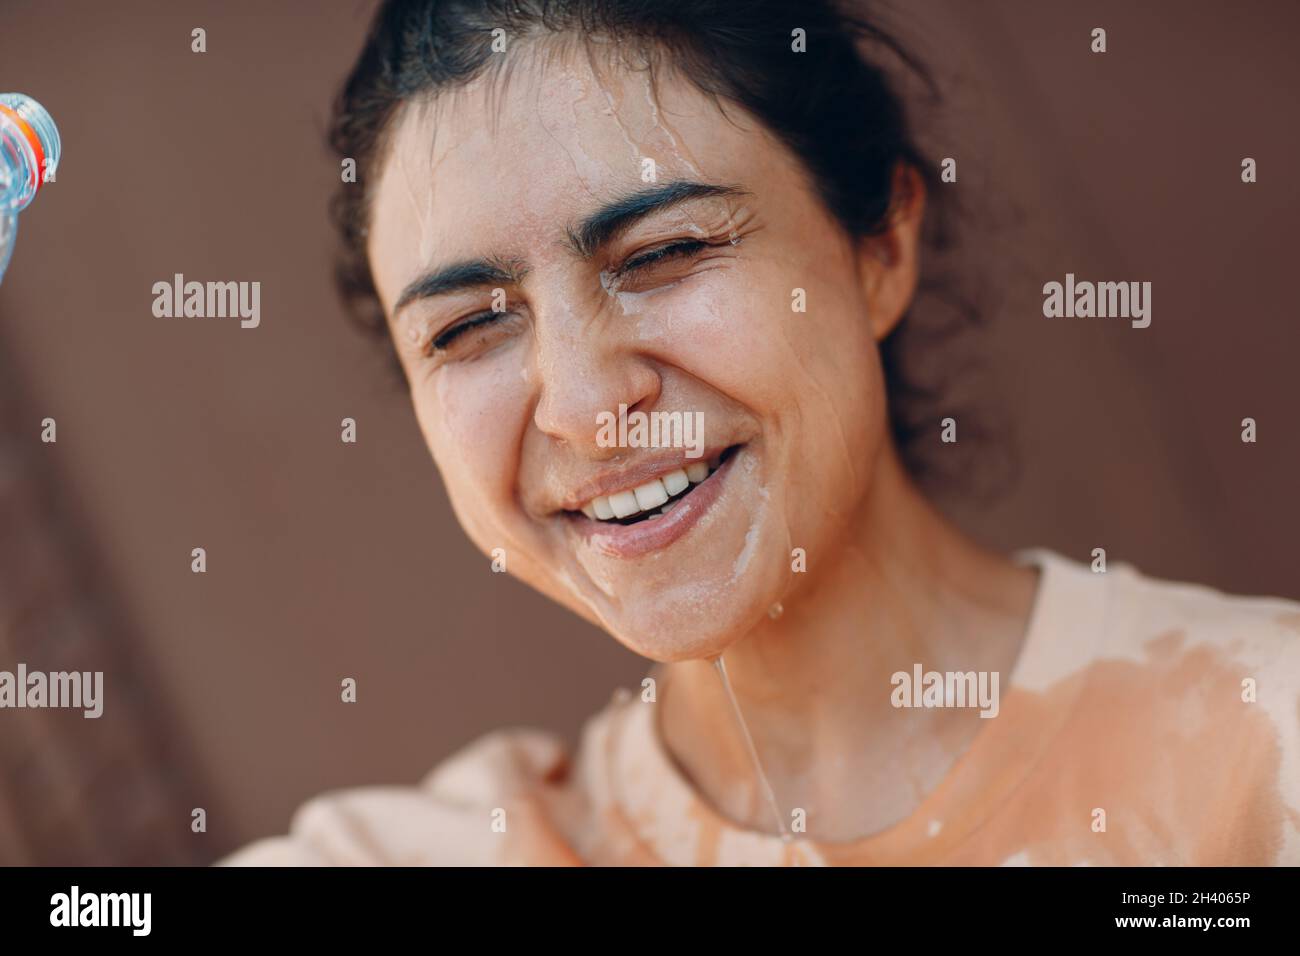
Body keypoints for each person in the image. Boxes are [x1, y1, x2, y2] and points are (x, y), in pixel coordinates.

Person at [222, 0, 1300, 866]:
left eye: (663, 253)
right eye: (466, 327)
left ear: (878, 245)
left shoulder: (1260, 747)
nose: (586, 405)